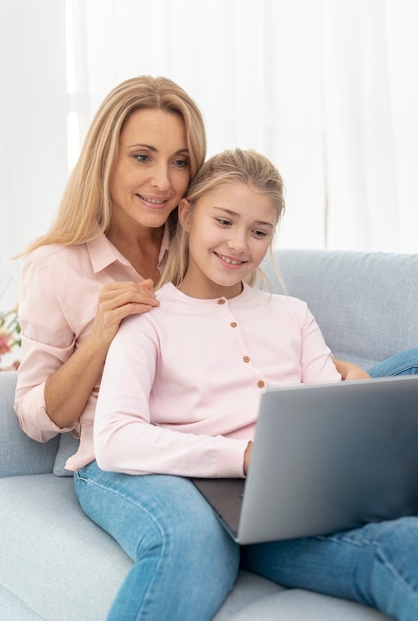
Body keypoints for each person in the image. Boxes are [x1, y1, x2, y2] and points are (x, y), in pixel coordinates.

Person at [13, 76, 417, 619]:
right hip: (126, 448)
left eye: (180, 162)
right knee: (194, 537)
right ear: (106, 160)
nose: (163, 180)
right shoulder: (75, 275)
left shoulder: (247, 275)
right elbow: (48, 417)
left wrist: (338, 390)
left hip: (268, 454)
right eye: (142, 157)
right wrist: (98, 343)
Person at [93, 148, 418, 621]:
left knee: (407, 536)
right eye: (223, 221)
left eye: (259, 231)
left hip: (312, 493)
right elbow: (115, 437)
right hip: (230, 505)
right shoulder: (148, 322)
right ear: (186, 214)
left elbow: (329, 416)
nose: (239, 244)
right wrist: (244, 456)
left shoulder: (293, 314)